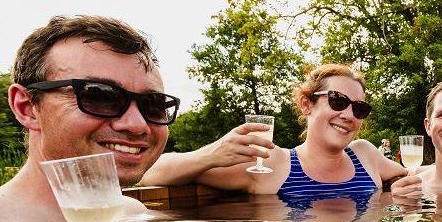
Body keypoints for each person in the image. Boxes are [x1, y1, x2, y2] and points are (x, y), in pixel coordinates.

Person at [0, 15, 176, 222]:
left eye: (154, 105)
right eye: (99, 95)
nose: (137, 125)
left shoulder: (135, 215)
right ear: (27, 107)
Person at [141, 63, 405, 206]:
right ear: (306, 104)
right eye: (337, 101)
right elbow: (151, 171)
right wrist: (213, 153)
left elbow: (415, 173)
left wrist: (407, 190)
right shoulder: (272, 163)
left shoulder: (365, 154)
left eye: (359, 108)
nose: (348, 115)